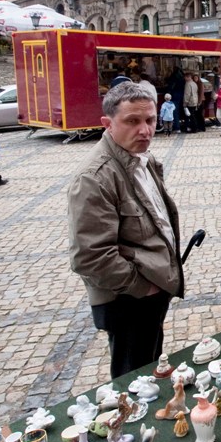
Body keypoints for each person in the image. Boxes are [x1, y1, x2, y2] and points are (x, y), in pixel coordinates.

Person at [67, 82, 183, 378]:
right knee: (133, 380)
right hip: (128, 300)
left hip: (151, 292)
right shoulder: (95, 178)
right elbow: (90, 258)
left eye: (150, 120)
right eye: (132, 121)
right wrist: (144, 286)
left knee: (151, 366)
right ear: (108, 124)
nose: (145, 130)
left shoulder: (145, 160)